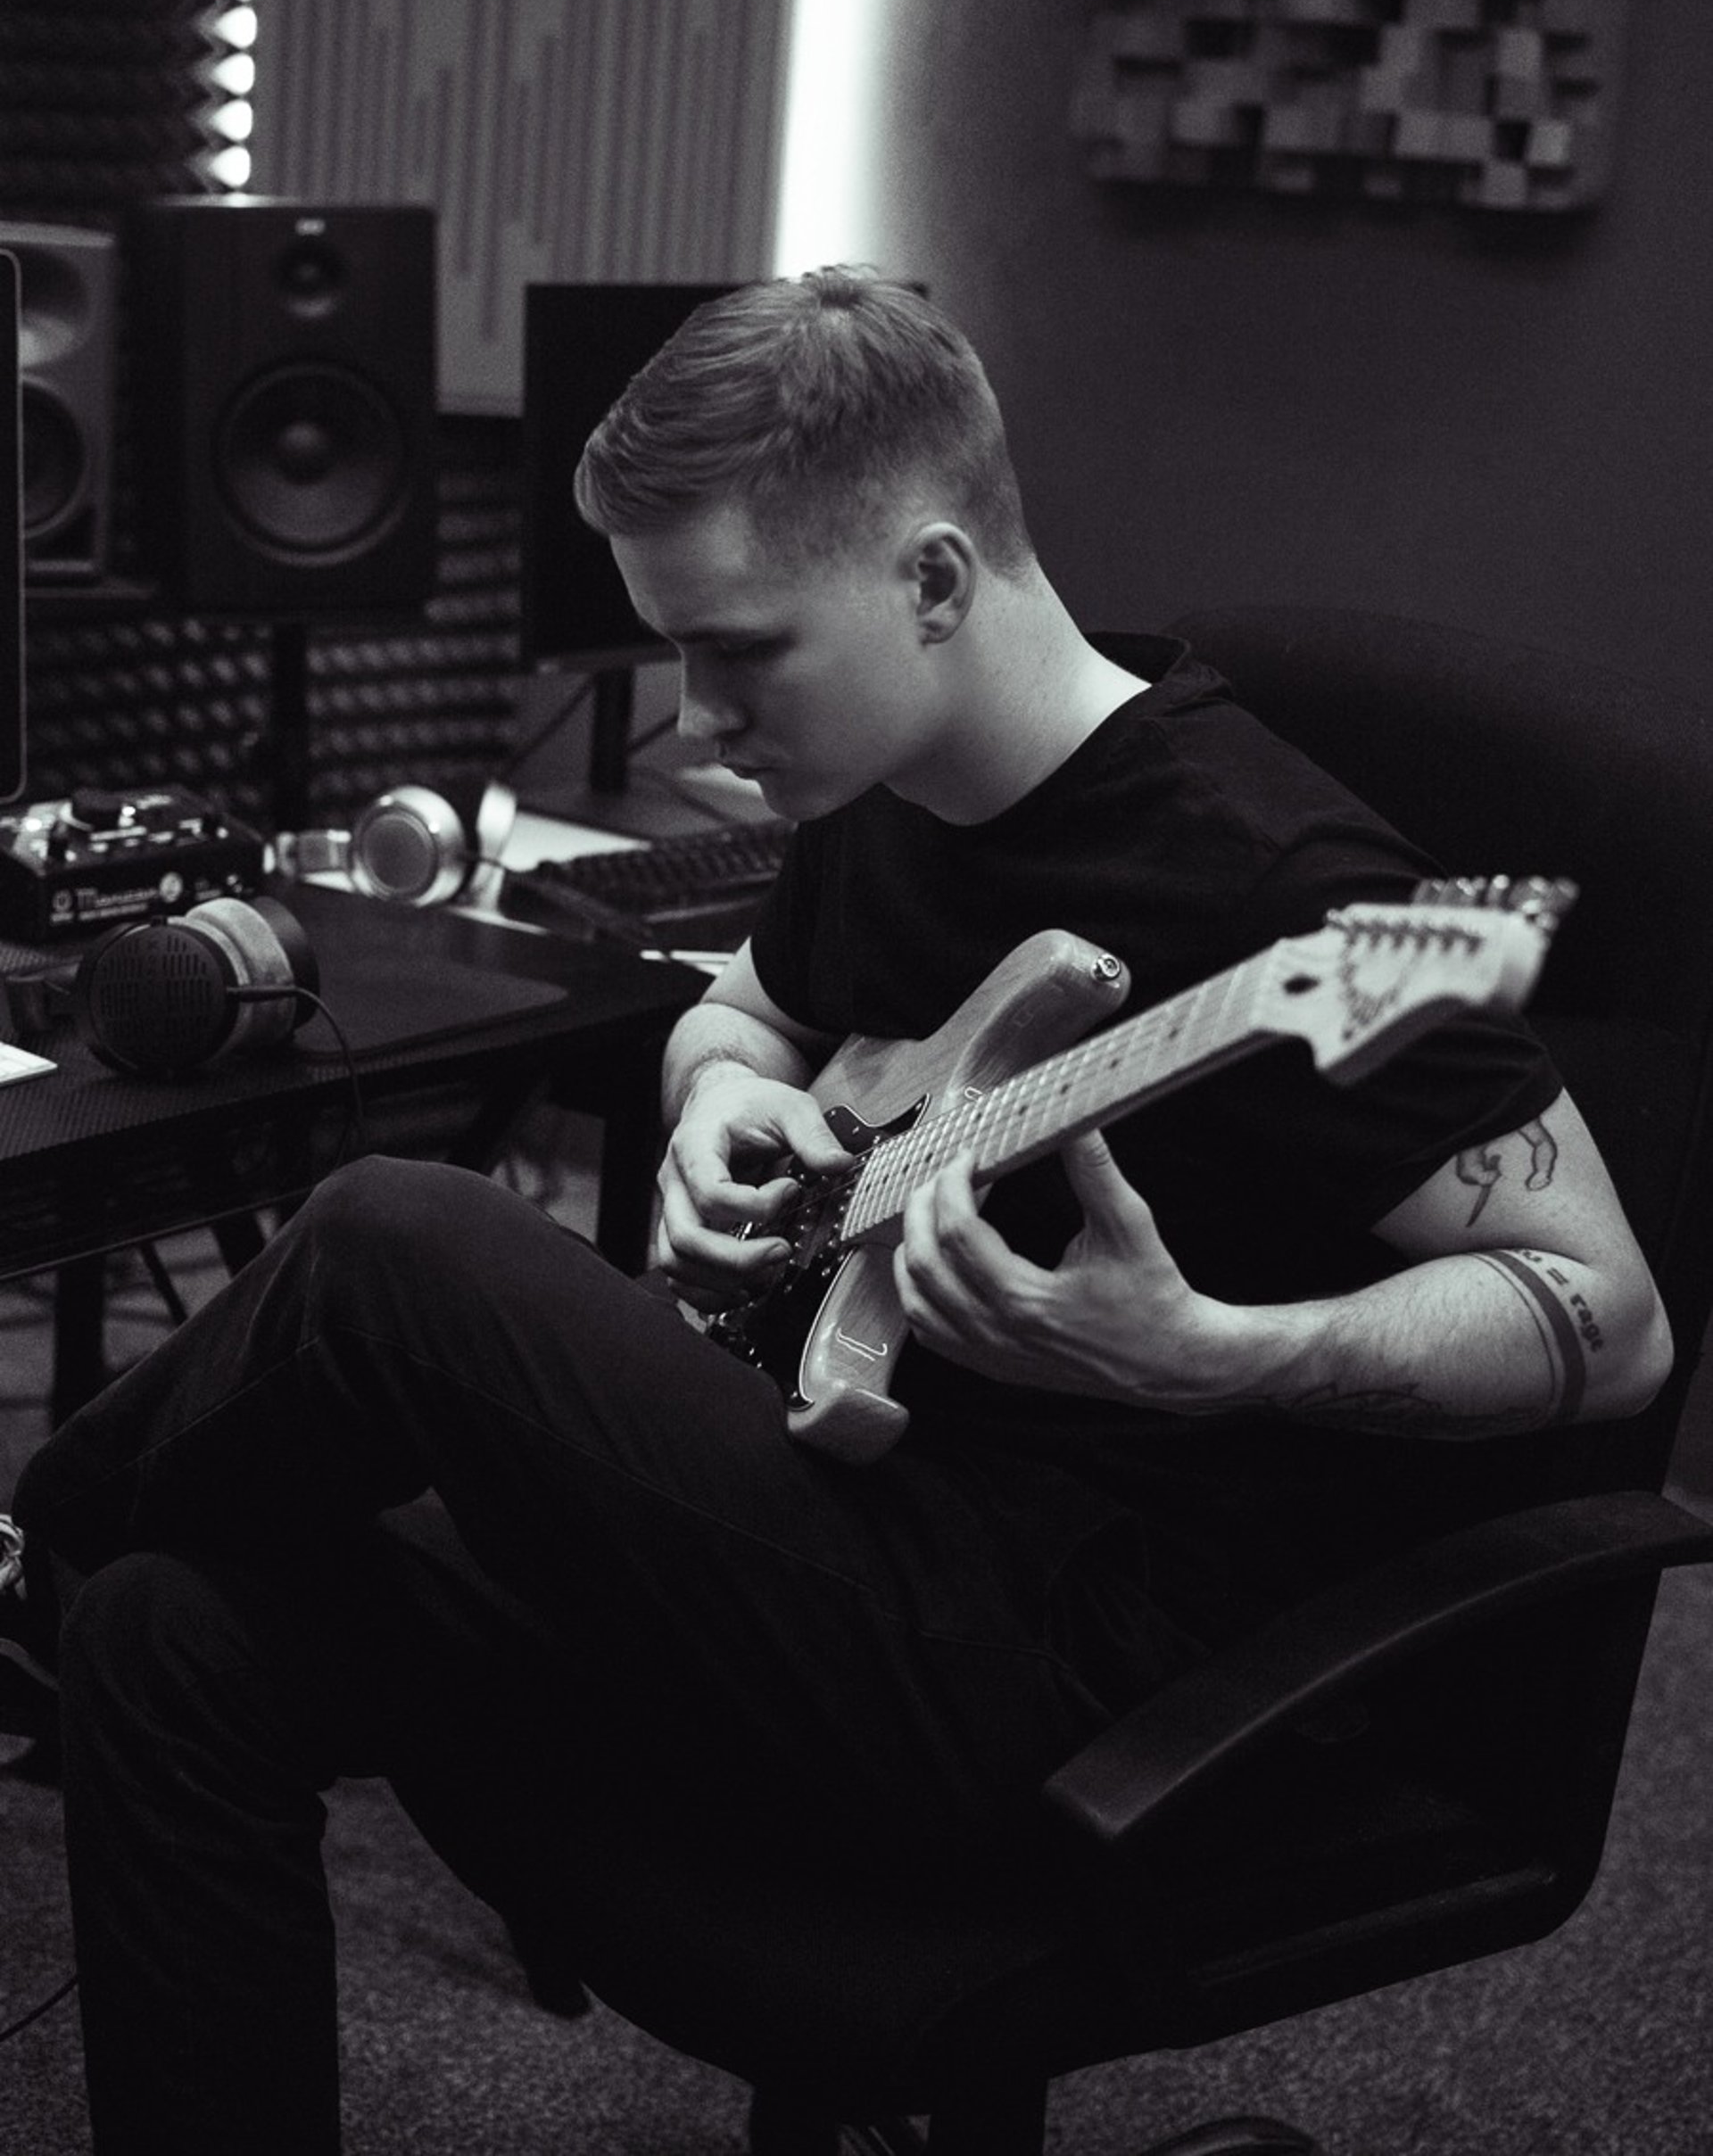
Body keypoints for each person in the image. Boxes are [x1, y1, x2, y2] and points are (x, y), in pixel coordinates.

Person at [1, 269, 1671, 2154]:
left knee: (395, 1235)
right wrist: (723, 1100)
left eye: (741, 655)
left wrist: (1211, 1355)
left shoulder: (1284, 889)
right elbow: (750, 1011)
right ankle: (76, 1593)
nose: (701, 717)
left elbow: (1607, 1320)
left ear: (936, 582)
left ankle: (19, 1558)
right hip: (822, 1522)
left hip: (1062, 1674)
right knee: (167, 1632)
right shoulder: (894, 774)